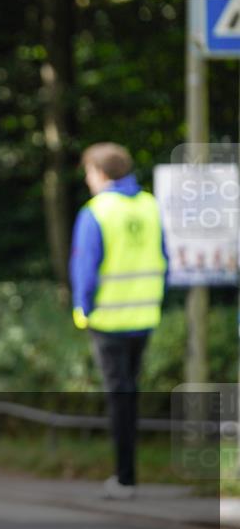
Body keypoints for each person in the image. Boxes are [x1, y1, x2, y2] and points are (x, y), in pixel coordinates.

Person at [69, 142, 166, 501]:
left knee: (119, 398)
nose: (88, 180)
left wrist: (83, 310)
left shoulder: (97, 211)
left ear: (101, 174)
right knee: (130, 395)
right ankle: (127, 476)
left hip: (108, 321)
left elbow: (85, 271)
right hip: (144, 317)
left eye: (89, 173)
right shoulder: (150, 205)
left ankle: (125, 479)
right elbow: (164, 256)